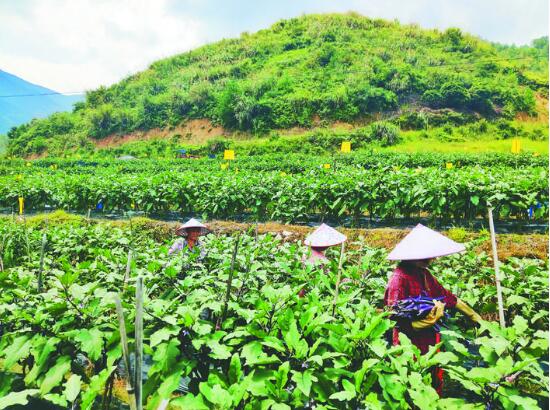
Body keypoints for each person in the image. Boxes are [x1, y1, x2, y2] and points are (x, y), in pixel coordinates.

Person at [384, 223, 482, 395]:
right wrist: (427, 321)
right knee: (412, 385)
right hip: (409, 342)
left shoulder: (424, 274)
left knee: (432, 381)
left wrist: (475, 317)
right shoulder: (398, 280)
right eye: (429, 256)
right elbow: (393, 317)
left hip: (430, 338)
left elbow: (448, 297)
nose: (433, 259)